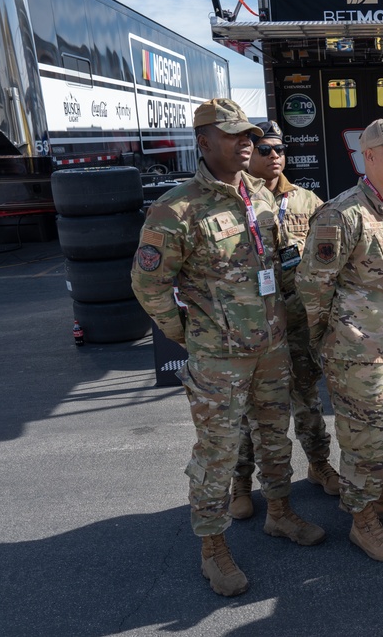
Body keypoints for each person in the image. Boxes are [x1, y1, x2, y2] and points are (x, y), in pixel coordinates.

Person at [131, 99, 325, 597]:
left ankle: (279, 512)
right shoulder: (176, 209)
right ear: (204, 142)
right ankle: (213, 548)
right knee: (218, 453)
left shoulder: (260, 196)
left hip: (272, 347)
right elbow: (148, 283)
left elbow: (279, 267)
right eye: (233, 134)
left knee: (274, 437)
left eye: (249, 134)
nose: (247, 142)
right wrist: (188, 333)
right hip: (219, 357)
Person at [296, 118, 383, 563]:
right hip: (358, 356)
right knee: (364, 441)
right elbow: (313, 287)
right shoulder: (342, 214)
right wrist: (336, 341)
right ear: (367, 156)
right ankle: (363, 522)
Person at [229, 120, 341, 521]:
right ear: (248, 154)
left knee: (307, 399)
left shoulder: (308, 202)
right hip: (254, 326)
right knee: (247, 410)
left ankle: (319, 464)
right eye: (265, 150)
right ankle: (240, 483)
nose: (274, 156)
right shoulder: (236, 201)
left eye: (279, 149)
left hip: (297, 322)